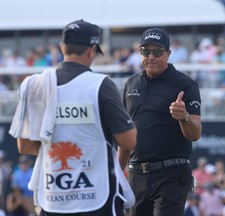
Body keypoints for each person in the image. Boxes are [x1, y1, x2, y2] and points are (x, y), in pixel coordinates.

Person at [9, 19, 137, 216]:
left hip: (54, 198)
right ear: (91, 50)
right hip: (96, 197)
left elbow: (24, 147)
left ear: (62, 47)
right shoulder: (100, 84)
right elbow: (129, 141)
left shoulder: (34, 85)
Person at [123, 27, 202, 216]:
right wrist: (117, 172)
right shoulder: (130, 84)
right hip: (137, 173)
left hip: (171, 173)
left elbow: (195, 133)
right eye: (145, 51)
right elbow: (125, 134)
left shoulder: (185, 84)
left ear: (168, 54)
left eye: (157, 51)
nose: (151, 57)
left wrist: (184, 117)